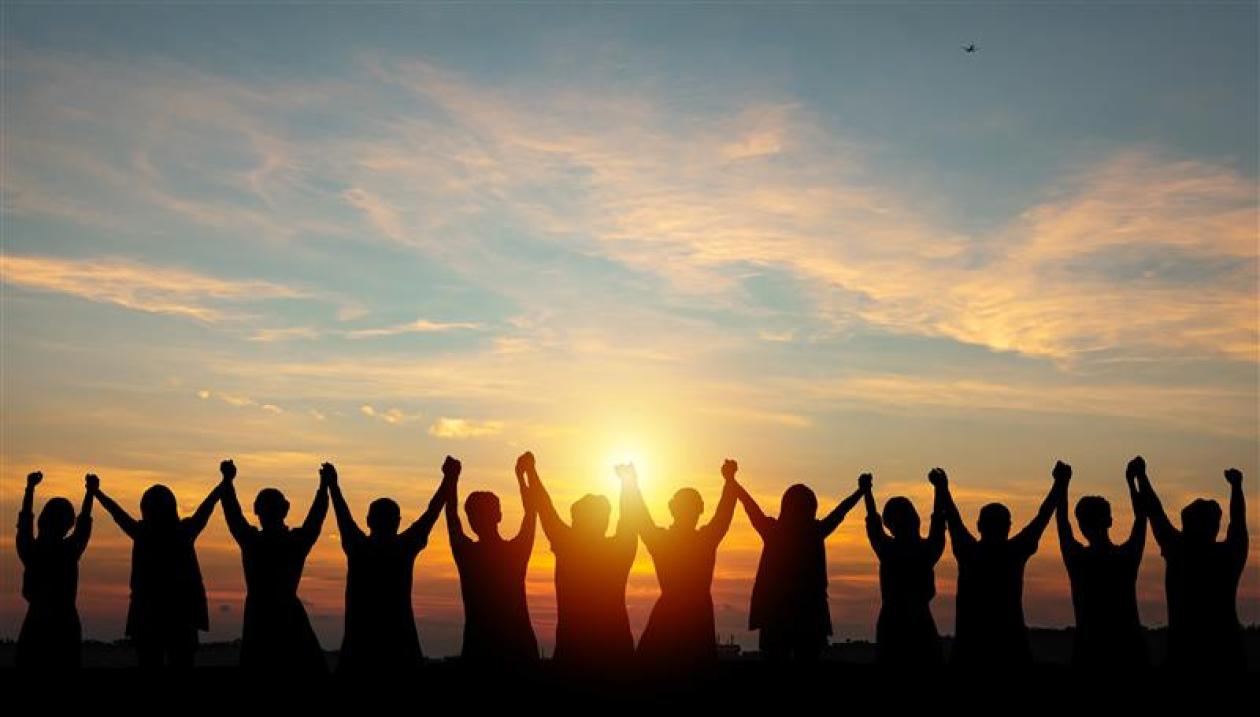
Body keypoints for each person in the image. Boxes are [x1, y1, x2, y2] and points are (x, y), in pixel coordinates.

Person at [327, 458, 454, 672]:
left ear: (368, 520)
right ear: (398, 521)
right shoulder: (403, 547)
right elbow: (431, 512)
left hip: (359, 647)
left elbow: (342, 513)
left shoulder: (357, 547)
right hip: (400, 646)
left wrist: (332, 485)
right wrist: (449, 479)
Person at [940, 464, 1067, 666]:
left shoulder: (968, 552)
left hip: (970, 649)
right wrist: (1060, 485)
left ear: (979, 526)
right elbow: (1042, 517)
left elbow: (953, 520)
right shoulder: (1014, 552)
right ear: (1008, 526)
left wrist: (942, 489)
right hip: (1011, 647)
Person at [729, 472, 864, 662]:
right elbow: (840, 512)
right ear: (811, 508)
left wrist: (732, 482)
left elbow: (750, 506)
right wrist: (861, 492)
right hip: (809, 617)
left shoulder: (773, 531)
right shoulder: (815, 532)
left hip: (774, 616)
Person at [93, 473, 219, 668]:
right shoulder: (183, 532)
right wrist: (224, 483)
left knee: (152, 661)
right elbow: (206, 508)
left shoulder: (143, 533)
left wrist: (96, 493)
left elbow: (117, 513)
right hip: (180, 616)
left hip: (150, 616)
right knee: (180, 661)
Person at [623, 459, 738, 671]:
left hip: (675, 616)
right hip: (694, 617)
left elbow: (641, 518)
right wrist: (729, 481)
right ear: (699, 510)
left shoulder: (664, 541)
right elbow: (724, 515)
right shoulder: (704, 540)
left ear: (672, 509)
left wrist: (631, 485)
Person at [527, 454, 637, 670]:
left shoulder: (568, 546)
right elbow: (629, 518)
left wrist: (531, 472)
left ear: (578, 521)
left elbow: (545, 508)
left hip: (574, 651)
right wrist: (628, 483)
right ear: (604, 521)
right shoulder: (619, 549)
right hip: (615, 650)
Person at [218, 458, 329, 672]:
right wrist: (324, 487)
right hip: (287, 615)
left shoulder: (252, 541)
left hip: (260, 617)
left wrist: (227, 481)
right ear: (285, 510)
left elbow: (232, 514)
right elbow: (316, 519)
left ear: (257, 510)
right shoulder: (295, 541)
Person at [1137, 459, 1247, 668]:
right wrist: (1236, 487)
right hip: (1227, 655)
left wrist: (1142, 476)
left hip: (1185, 656)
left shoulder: (1178, 549)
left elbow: (1155, 511)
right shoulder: (1229, 555)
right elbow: (1238, 521)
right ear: (1214, 526)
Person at [445, 452, 539, 664]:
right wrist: (523, 475)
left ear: (470, 521)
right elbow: (531, 512)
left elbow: (451, 514)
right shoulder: (516, 552)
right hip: (519, 649)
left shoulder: (466, 554)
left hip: (479, 650)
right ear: (499, 515)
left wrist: (451, 480)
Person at [1055, 457, 1148, 667]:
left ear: (1081, 525)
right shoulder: (1126, 557)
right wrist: (1133, 481)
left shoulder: (1077, 559)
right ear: (1110, 521)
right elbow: (1142, 518)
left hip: (1089, 652)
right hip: (1129, 652)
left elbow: (1061, 522)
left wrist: (1062, 484)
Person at [861, 469, 947, 666]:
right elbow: (938, 522)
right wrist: (939, 490)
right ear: (915, 519)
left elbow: (873, 523)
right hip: (919, 623)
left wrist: (867, 492)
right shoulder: (925, 551)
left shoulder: (888, 550)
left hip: (893, 624)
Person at [15, 471, 94, 669]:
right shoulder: (69, 551)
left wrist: (30, 489)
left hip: (36, 624)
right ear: (68, 525)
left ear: (42, 520)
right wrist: (90, 493)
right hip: (65, 625)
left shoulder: (31, 550)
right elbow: (84, 524)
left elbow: (24, 523)